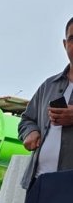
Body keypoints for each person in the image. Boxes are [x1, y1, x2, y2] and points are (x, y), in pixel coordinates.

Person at [18, 16, 73, 187]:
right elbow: (27, 119)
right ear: (65, 44)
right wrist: (30, 132)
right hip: (38, 182)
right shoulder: (48, 85)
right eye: (72, 39)